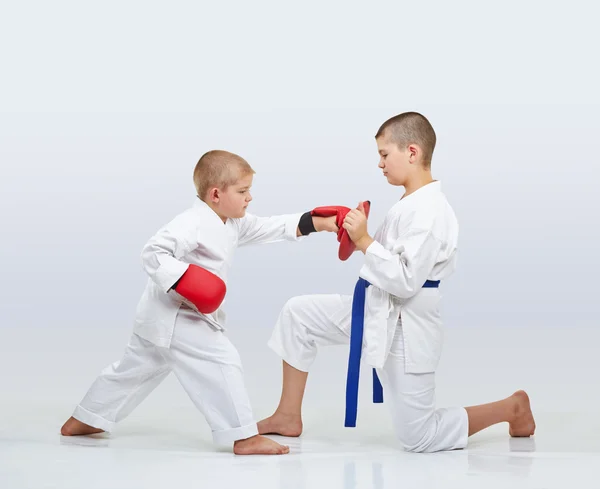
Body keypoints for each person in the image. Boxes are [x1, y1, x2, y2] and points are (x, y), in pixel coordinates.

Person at [258, 112, 536, 452]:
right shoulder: (409, 203)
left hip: (408, 324)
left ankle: (512, 407)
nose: (380, 163)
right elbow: (388, 260)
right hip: (378, 307)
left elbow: (405, 279)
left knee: (419, 437)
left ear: (413, 152)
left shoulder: (431, 211)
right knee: (298, 314)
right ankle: (288, 416)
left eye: (384, 154)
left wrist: (363, 241)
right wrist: (353, 232)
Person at [60, 149, 343, 455]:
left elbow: (269, 227)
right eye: (243, 191)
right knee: (223, 360)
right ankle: (244, 437)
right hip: (178, 315)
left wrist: (318, 222)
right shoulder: (191, 222)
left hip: (158, 318)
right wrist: (188, 281)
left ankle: (84, 419)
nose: (250, 198)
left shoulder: (232, 221)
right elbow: (152, 252)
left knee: (132, 370)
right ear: (216, 194)